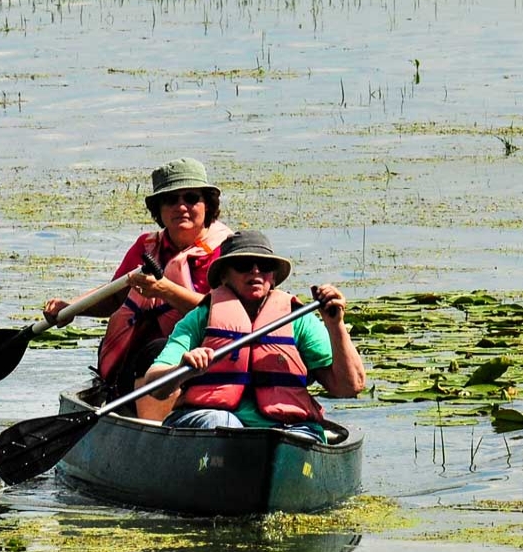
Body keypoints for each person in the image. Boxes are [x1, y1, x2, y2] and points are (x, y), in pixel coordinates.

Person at [44, 157, 232, 419]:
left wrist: (166, 290)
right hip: (133, 364)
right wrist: (72, 308)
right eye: (170, 200)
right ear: (159, 209)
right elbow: (114, 297)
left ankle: (156, 429)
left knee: (156, 352)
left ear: (207, 205)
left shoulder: (229, 251)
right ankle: (133, 413)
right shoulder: (147, 247)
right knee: (143, 353)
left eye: (191, 198)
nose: (181, 207)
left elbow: (226, 316)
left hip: (200, 361)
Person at [137, 230, 365, 442]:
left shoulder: (299, 319)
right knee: (223, 423)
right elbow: (155, 384)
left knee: (297, 437)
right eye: (244, 265)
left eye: (264, 266)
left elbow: (349, 386)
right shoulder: (200, 319)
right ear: (224, 277)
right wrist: (181, 369)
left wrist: (335, 325)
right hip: (214, 424)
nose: (255, 271)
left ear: (273, 278)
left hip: (287, 428)